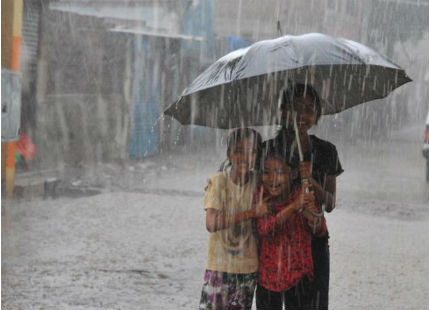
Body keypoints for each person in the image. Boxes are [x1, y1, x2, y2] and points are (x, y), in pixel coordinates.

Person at [264, 83, 344, 309]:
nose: (302, 115)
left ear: (317, 114)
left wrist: (313, 183)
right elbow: (258, 198)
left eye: (309, 109)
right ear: (283, 112)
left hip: (313, 243)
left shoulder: (327, 151)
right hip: (275, 246)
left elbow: (330, 204)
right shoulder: (268, 150)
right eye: (295, 108)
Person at [199, 128, 269, 310]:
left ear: (256, 156)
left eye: (250, 151)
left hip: (247, 269)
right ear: (229, 154)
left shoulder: (259, 182)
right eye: (239, 151)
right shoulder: (218, 182)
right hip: (219, 268)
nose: (244, 157)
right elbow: (211, 223)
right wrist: (251, 213)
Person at [256, 144, 327, 310]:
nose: (272, 179)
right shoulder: (261, 198)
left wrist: (312, 218)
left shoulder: (303, 194)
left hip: (298, 277)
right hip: (267, 279)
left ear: (294, 173)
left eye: (280, 172)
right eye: (267, 172)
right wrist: (294, 207)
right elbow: (265, 228)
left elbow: (320, 230)